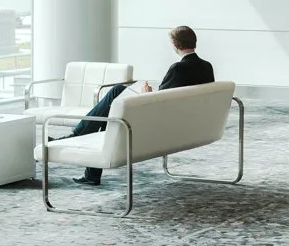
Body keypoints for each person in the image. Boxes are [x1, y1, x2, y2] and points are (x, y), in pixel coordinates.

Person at [66, 26, 214, 186]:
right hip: (190, 122)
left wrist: (146, 93)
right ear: (194, 42)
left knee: (114, 97)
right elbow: (171, 97)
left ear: (175, 46)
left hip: (163, 124)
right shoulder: (206, 66)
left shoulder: (178, 68)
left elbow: (159, 102)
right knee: (114, 100)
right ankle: (87, 162)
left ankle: (77, 137)